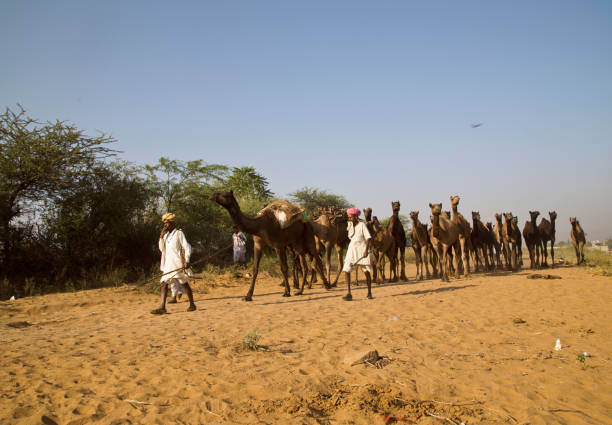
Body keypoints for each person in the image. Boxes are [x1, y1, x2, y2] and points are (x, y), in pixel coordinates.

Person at [151, 213, 196, 314]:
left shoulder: (179, 233)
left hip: (178, 264)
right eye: (164, 223)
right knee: (163, 283)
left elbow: (187, 247)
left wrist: (187, 260)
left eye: (167, 223)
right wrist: (161, 237)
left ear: (172, 223)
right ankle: (162, 307)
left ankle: (192, 304)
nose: (165, 225)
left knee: (184, 284)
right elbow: (162, 249)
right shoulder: (166, 236)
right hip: (168, 264)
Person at [341, 208, 373, 301]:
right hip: (352, 250)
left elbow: (368, 238)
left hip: (362, 249)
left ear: (356, 216)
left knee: (366, 272)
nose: (350, 218)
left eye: (351, 217)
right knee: (346, 270)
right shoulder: (349, 225)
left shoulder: (362, 225)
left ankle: (369, 292)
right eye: (349, 217)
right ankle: (348, 293)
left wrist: (366, 250)